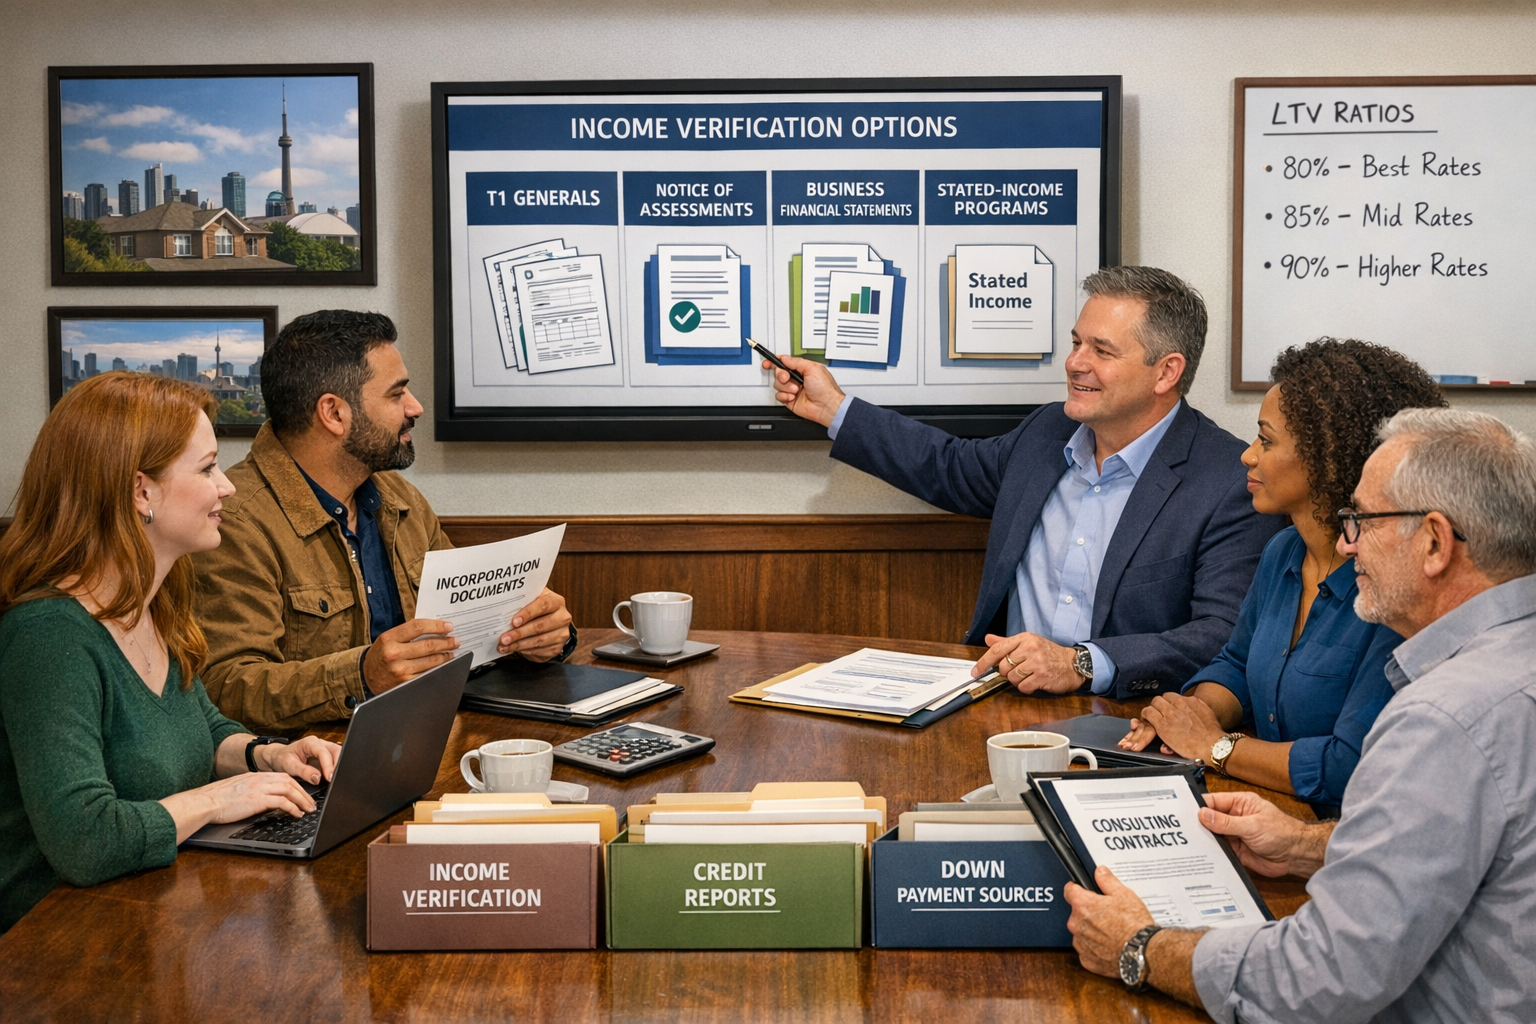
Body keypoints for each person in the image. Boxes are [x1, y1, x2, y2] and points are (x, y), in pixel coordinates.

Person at [1064, 407, 1536, 1023]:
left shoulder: (1443, 719)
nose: (1346, 542)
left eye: (1362, 521)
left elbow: (1321, 979)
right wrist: (1306, 844)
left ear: (1434, 543)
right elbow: (1464, 846)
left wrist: (1141, 948)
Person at [767, 266, 1284, 699]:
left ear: (1166, 372)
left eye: (1101, 351)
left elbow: (1220, 636)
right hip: (999, 699)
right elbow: (947, 466)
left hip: (1126, 721)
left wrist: (1081, 663)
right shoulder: (1046, 432)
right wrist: (834, 408)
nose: (1075, 363)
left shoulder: (1229, 480)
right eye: (1077, 343)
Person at [0, 374, 342, 933]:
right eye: (207, 469)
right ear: (142, 492)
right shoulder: (47, 637)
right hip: (58, 940)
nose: (226, 487)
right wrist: (217, 799)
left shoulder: (154, 601)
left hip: (149, 912)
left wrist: (269, 756)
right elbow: (84, 840)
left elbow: (201, 728)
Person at [193, 310, 575, 735]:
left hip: (432, 734)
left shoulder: (400, 498)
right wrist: (362, 674)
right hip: (318, 762)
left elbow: (467, 628)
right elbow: (224, 687)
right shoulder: (235, 520)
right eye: (397, 394)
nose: (415, 407)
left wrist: (537, 634)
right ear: (334, 413)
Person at [1120, 339, 1444, 815]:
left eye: (1266, 441)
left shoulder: (1392, 586)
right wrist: (1190, 716)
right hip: (1269, 810)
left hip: (1341, 833)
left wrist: (1215, 746)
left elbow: (1349, 765)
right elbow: (1236, 663)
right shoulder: (1282, 550)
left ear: (1327, 458)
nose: (1248, 456)